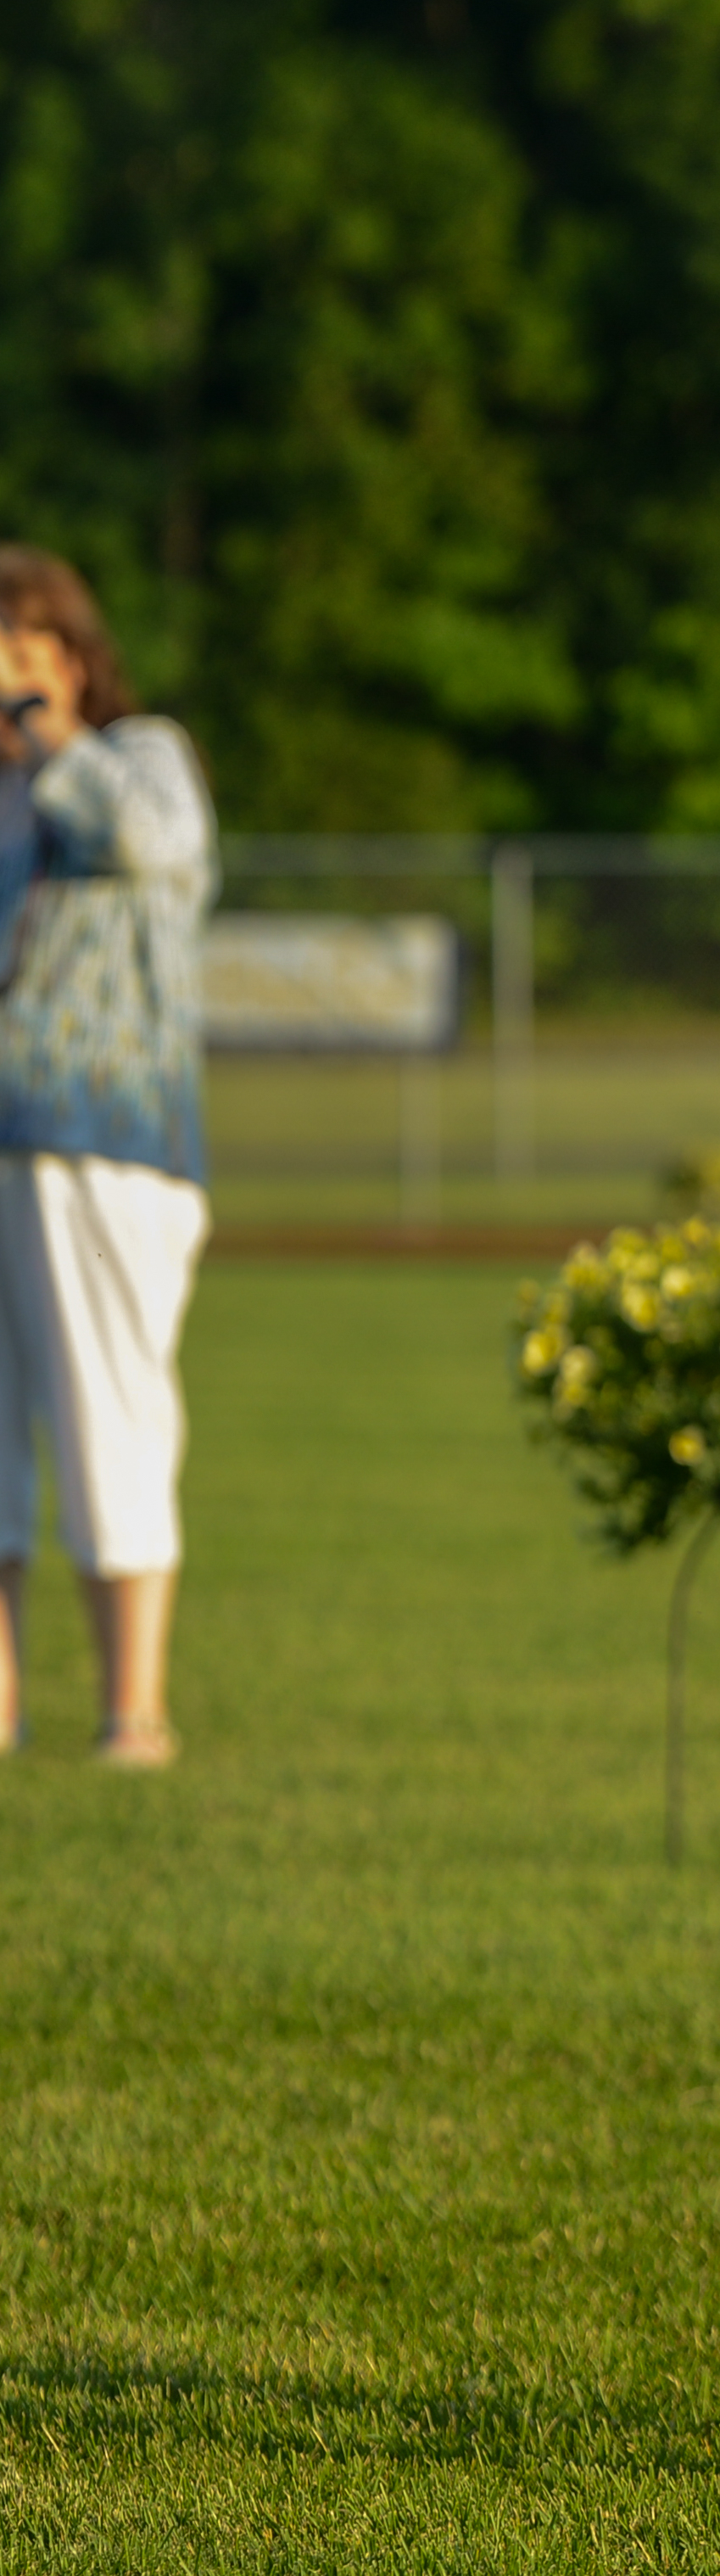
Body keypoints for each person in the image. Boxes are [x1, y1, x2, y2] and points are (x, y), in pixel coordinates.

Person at [0, 549, 215, 1770]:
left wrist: (43, 734)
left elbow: (139, 848)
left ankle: (134, 1710)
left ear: (76, 655)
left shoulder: (143, 760)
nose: (10, 669)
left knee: (107, 1419)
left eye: (31, 645)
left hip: (102, 1138)